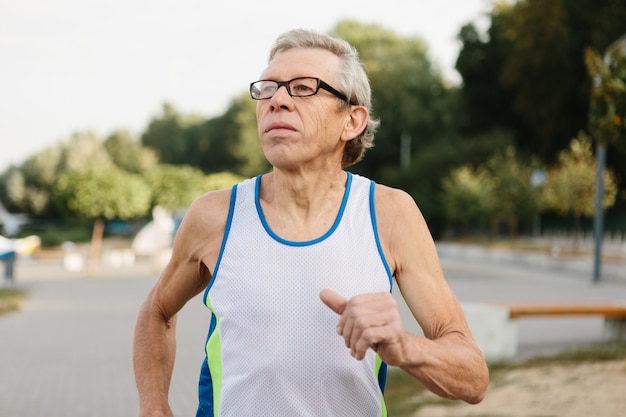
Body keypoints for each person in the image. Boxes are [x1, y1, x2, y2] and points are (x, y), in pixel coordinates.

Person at [133, 28, 489, 417]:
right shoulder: (214, 216)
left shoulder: (389, 214)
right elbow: (157, 311)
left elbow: (472, 378)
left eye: (303, 88)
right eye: (268, 88)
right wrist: (154, 406)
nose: (278, 100)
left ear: (352, 121)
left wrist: (404, 347)